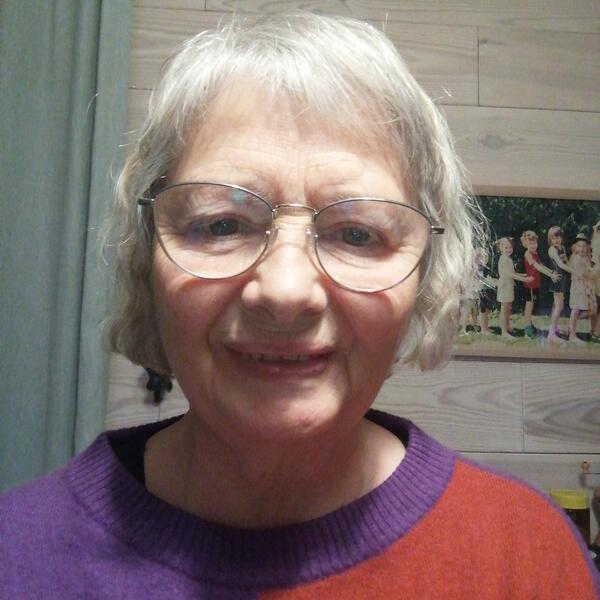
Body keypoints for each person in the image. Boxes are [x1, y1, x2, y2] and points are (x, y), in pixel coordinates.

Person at [1, 14, 598, 599]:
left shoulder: (527, 559)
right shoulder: (17, 554)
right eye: (222, 224)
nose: (286, 293)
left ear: (426, 279)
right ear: (146, 260)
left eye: (356, 234)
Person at [519, 230, 559, 338]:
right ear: (525, 244)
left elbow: (541, 265)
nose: (533, 245)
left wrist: (551, 272)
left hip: (535, 284)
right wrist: (550, 275)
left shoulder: (535, 254)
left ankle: (529, 324)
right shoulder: (528, 254)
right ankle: (527, 329)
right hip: (530, 285)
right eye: (530, 243)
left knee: (532, 306)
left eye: (535, 243)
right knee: (529, 306)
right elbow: (537, 267)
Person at [495, 237, 532, 340]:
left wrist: (523, 275)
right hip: (504, 286)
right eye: (506, 247)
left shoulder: (509, 259)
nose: (508, 249)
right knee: (504, 308)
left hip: (509, 285)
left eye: (510, 247)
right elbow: (509, 274)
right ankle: (504, 332)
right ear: (501, 248)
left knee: (508, 307)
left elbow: (513, 273)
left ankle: (507, 327)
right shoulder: (503, 259)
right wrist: (524, 279)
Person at [568, 233, 598, 344]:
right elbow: (587, 274)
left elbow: (589, 271)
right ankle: (572, 335)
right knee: (576, 309)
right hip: (579, 288)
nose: (582, 248)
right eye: (579, 246)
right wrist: (596, 270)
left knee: (593, 309)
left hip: (587, 287)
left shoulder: (586, 257)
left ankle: (572, 324)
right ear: (575, 247)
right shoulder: (577, 259)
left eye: (584, 246)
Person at [547, 225, 573, 344]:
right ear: (550, 239)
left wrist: (573, 271)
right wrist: (575, 272)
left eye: (558, 237)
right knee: (559, 306)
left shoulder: (562, 248)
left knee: (557, 305)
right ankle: (551, 334)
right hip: (556, 280)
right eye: (553, 238)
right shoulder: (552, 250)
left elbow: (566, 261)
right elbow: (561, 265)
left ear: (561, 237)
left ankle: (555, 328)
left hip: (562, 279)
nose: (556, 240)